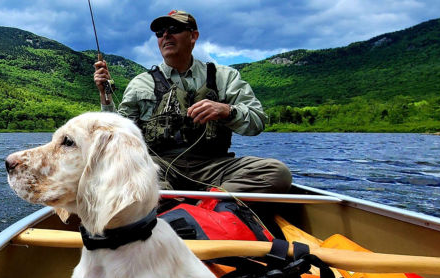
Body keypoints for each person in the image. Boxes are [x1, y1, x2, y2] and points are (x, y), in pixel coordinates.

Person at [93, 10, 291, 193]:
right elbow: (115, 137)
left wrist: (226, 110)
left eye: (174, 29)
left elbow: (257, 122)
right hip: (159, 167)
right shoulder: (140, 83)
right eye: (160, 32)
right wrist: (105, 96)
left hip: (214, 167)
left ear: (193, 36)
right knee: (128, 174)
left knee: (277, 172)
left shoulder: (225, 77)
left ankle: (208, 202)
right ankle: (211, 205)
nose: (165, 36)